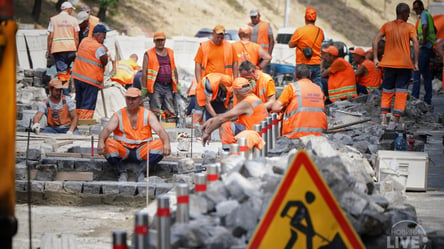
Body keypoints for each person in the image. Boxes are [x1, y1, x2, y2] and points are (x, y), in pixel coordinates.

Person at [97, 88, 171, 182]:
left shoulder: (147, 114)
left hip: (142, 150)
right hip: (123, 149)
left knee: (161, 144)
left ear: (140, 100)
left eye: (133, 99)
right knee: (107, 143)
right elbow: (107, 129)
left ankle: (141, 171)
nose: (130, 102)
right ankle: (122, 172)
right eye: (128, 99)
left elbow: (160, 130)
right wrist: (100, 141)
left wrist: (167, 143)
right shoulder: (119, 114)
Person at [373, 2, 419, 126]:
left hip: (388, 64)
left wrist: (376, 58)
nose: (409, 15)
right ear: (403, 13)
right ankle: (395, 120)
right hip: (404, 65)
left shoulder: (387, 26)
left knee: (387, 90)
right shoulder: (410, 27)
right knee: (401, 92)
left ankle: (383, 118)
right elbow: (416, 43)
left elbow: (376, 40)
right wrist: (416, 62)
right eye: (408, 13)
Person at [201, 77, 268, 150]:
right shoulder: (253, 98)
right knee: (226, 121)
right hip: (258, 132)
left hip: (252, 134)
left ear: (236, 93)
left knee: (225, 125)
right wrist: (213, 119)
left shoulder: (246, 103)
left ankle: (228, 151)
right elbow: (232, 116)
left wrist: (208, 132)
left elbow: (222, 119)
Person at [271, 64, 327, 139]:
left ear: (295, 75)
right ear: (310, 75)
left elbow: (275, 108)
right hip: (319, 133)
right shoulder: (318, 89)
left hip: (296, 133)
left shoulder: (291, 87)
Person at [71, 23, 109, 119]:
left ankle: (77, 122)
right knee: (88, 106)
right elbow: (104, 61)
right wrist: (106, 52)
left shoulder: (84, 41)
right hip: (90, 81)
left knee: (79, 103)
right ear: (97, 35)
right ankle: (84, 126)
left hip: (78, 78)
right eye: (103, 36)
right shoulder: (99, 48)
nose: (104, 39)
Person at [141, 31, 179, 122]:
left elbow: (174, 68)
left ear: (165, 41)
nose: (160, 42)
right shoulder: (149, 54)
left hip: (168, 85)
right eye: (158, 40)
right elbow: (144, 72)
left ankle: (171, 128)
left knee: (170, 108)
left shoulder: (170, 52)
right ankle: (155, 129)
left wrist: (177, 84)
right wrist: (144, 88)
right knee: (155, 109)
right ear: (154, 41)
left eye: (162, 40)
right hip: (155, 85)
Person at [47, 1, 79, 93]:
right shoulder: (74, 20)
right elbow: (76, 36)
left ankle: (65, 93)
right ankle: (66, 90)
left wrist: (48, 50)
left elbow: (50, 36)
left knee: (62, 71)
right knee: (67, 70)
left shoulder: (54, 20)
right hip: (71, 49)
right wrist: (76, 49)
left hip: (59, 49)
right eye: (71, 10)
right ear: (68, 9)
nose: (71, 11)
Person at [288, 7, 325, 88]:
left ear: (305, 18)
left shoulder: (300, 31)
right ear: (315, 19)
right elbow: (321, 41)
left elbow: (291, 45)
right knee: (317, 85)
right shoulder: (320, 31)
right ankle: (319, 99)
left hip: (302, 64)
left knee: (299, 87)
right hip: (316, 63)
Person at [411, 0, 436, 105]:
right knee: (426, 74)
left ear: (421, 7)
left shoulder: (424, 15)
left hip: (424, 47)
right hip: (428, 47)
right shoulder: (428, 15)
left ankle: (414, 97)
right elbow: (435, 29)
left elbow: (425, 27)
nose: (416, 11)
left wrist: (424, 39)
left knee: (416, 71)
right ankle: (427, 99)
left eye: (417, 8)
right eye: (414, 9)